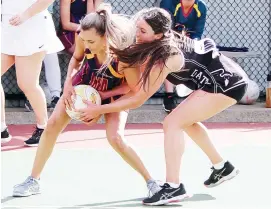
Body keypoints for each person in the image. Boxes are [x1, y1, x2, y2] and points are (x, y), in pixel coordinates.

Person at [78, 7, 248, 205]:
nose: (137, 34)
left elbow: (139, 97)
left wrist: (99, 109)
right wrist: (105, 94)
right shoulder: (154, 44)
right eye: (137, 27)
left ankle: (174, 187)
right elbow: (135, 87)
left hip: (227, 84)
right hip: (216, 80)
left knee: (172, 122)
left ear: (158, 34)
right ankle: (222, 166)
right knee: (184, 121)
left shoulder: (166, 56)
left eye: (143, 31)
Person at [12, 4, 161, 197]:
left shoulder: (123, 56)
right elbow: (76, 59)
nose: (86, 43)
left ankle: (152, 183)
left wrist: (100, 103)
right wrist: (67, 85)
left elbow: (133, 89)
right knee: (52, 125)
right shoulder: (83, 36)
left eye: (91, 41)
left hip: (112, 92)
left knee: (115, 138)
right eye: (84, 39)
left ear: (105, 38)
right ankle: (33, 180)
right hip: (82, 84)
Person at [1, 0, 64, 145]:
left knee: (27, 83)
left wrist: (26, 15)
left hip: (33, 28)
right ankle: (1, 130)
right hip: (8, 30)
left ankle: (44, 128)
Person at [160, 0, 207, 113]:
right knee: (169, 52)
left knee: (201, 53)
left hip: (188, 40)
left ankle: (193, 93)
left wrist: (190, 44)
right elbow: (166, 30)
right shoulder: (168, 3)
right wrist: (179, 40)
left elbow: (197, 33)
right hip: (169, 39)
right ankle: (169, 95)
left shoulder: (201, 7)